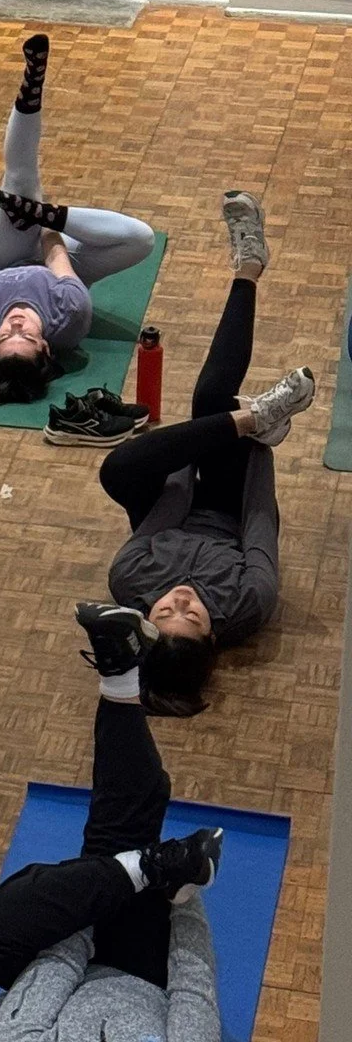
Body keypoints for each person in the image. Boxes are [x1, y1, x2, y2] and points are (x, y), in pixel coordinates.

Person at [0, 601, 224, 1042]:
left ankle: (145, 862)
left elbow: (50, 970)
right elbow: (195, 994)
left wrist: (105, 888)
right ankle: (120, 678)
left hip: (60, 954)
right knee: (127, 823)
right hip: (150, 968)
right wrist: (183, 904)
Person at [100, 191, 315, 716]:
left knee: (117, 468)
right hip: (230, 503)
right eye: (192, 615)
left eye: (167, 610)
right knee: (209, 400)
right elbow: (262, 521)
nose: (181, 599)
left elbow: (165, 509)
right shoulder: (249, 603)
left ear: (146, 620)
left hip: (168, 504)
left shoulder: (129, 581)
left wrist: (200, 440)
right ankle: (248, 267)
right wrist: (245, 446)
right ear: (213, 636)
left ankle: (249, 414)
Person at [0, 35, 156, 407]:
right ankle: (44, 210)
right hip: (62, 263)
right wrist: (39, 218)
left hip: (8, 257)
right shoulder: (70, 315)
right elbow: (53, 250)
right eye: (27, 336)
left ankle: (33, 80)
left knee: (18, 180)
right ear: (46, 343)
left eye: (5, 336)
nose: (15, 324)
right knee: (142, 239)